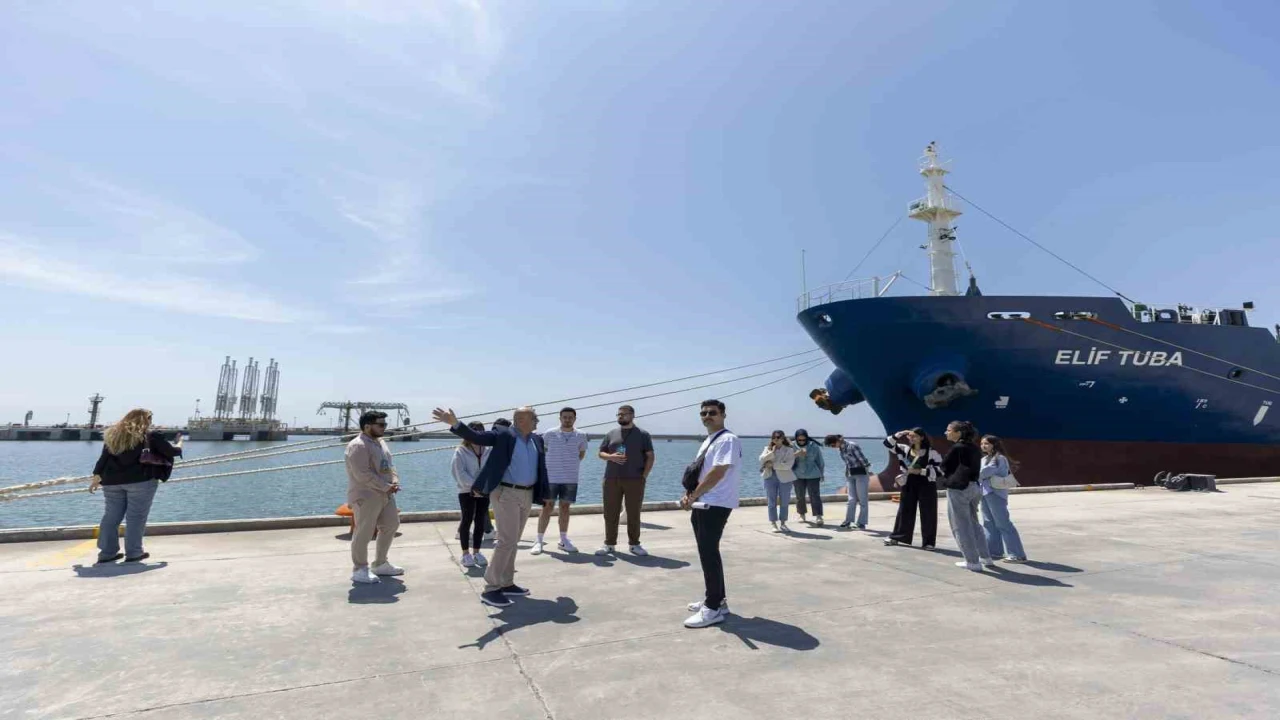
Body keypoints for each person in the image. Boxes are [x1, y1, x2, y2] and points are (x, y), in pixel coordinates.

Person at [433, 405, 550, 608]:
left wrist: (545, 493)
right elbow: (477, 437)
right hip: (506, 493)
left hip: (527, 493)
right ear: (521, 420)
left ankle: (506, 582)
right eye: (534, 418)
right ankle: (491, 588)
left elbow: (541, 467)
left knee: (514, 540)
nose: (537, 421)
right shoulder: (504, 435)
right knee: (506, 540)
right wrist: (455, 423)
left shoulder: (536, 440)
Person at [89, 409, 183, 564]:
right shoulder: (150, 435)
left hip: (112, 482)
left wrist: (96, 477)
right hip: (141, 481)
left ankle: (106, 553)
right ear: (146, 420)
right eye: (150, 418)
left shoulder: (113, 435)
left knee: (111, 517)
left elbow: (103, 458)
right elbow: (171, 451)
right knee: (136, 517)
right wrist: (179, 442)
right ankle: (134, 553)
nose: (151, 422)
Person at [681, 399, 742, 629]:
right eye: (703, 413)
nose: (707, 416)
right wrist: (689, 495)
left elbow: (717, 472)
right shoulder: (711, 440)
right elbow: (701, 471)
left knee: (708, 554)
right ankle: (718, 600)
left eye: (712, 412)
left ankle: (713, 608)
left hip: (714, 504)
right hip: (703, 502)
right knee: (708, 553)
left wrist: (694, 496)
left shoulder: (727, 439)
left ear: (723, 415)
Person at [345, 410, 403, 584]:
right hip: (366, 495)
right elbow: (362, 474)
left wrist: (394, 481)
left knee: (391, 524)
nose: (384, 427)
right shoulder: (358, 446)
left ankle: (380, 563)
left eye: (385, 424)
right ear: (367, 426)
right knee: (364, 532)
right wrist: (386, 486)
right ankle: (359, 569)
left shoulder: (381, 443)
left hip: (386, 493)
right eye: (381, 424)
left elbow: (389, 465)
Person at [595, 405, 655, 557]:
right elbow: (600, 453)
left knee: (633, 513)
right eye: (619, 414)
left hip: (635, 479)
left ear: (632, 415)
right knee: (610, 513)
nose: (620, 416)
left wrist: (644, 476)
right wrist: (610, 457)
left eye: (624, 414)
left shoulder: (643, 435)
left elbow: (650, 456)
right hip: (611, 479)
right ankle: (609, 544)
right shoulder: (611, 433)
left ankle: (634, 545)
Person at [533, 407, 589, 555]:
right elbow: (542, 452)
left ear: (575, 419)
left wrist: (569, 465)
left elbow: (581, 454)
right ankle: (539, 540)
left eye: (570, 417)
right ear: (560, 418)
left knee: (565, 508)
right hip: (551, 477)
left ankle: (563, 540)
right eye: (565, 417)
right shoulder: (550, 433)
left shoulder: (581, 435)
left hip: (570, 478)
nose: (567, 420)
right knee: (547, 507)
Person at [941, 421, 995, 571]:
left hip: (959, 489)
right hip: (974, 487)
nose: (946, 432)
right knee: (973, 523)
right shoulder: (974, 447)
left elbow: (944, 466)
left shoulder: (957, 447)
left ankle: (972, 561)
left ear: (958, 433)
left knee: (960, 526)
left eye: (948, 430)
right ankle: (985, 557)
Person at [883, 428, 942, 548]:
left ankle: (928, 543)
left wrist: (921, 471)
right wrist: (899, 434)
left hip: (927, 483)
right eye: (910, 436)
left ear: (922, 437)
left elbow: (940, 470)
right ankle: (898, 537)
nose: (911, 438)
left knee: (928, 512)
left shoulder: (932, 453)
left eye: (914, 436)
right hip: (909, 483)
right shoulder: (904, 449)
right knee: (905, 510)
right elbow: (887, 443)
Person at [979, 435, 1028, 563]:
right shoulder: (984, 459)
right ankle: (994, 551)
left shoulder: (1000, 459)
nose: (983, 446)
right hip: (984, 493)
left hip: (996, 493)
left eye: (986, 443)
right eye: (982, 444)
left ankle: (1018, 554)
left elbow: (984, 473)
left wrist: (971, 473)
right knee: (989, 523)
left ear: (994, 445)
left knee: (1003, 523)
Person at [451, 421, 491, 570]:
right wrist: (475, 486)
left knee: (480, 521)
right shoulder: (460, 451)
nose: (477, 433)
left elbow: (491, 469)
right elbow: (459, 472)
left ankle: (477, 551)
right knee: (467, 520)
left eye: (480, 430)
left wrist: (484, 486)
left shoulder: (488, 450)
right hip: (466, 491)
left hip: (484, 491)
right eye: (474, 430)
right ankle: (465, 553)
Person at [825, 434, 872, 530]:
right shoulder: (841, 449)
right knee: (851, 499)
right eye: (831, 446)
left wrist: (868, 471)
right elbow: (848, 463)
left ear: (837, 441)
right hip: (850, 474)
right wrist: (846, 474)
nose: (833, 447)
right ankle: (848, 521)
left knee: (862, 499)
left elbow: (863, 460)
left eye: (833, 445)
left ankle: (861, 523)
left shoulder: (852, 446)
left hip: (861, 474)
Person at [758, 430, 796, 532]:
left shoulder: (789, 450)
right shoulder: (767, 449)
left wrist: (773, 465)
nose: (776, 439)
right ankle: (773, 523)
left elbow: (788, 465)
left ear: (783, 438)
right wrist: (772, 452)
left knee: (784, 501)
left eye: (778, 437)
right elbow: (761, 459)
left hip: (785, 478)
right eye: (773, 437)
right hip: (769, 476)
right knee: (771, 501)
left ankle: (783, 523)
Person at [791, 428, 825, 526]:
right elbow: (787, 459)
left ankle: (818, 516)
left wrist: (822, 474)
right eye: (799, 440)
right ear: (796, 439)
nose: (802, 441)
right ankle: (802, 514)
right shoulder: (791, 445)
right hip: (797, 475)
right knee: (799, 496)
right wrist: (797, 454)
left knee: (815, 496)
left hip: (813, 474)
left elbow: (820, 461)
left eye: (804, 439)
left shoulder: (813, 446)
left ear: (807, 438)